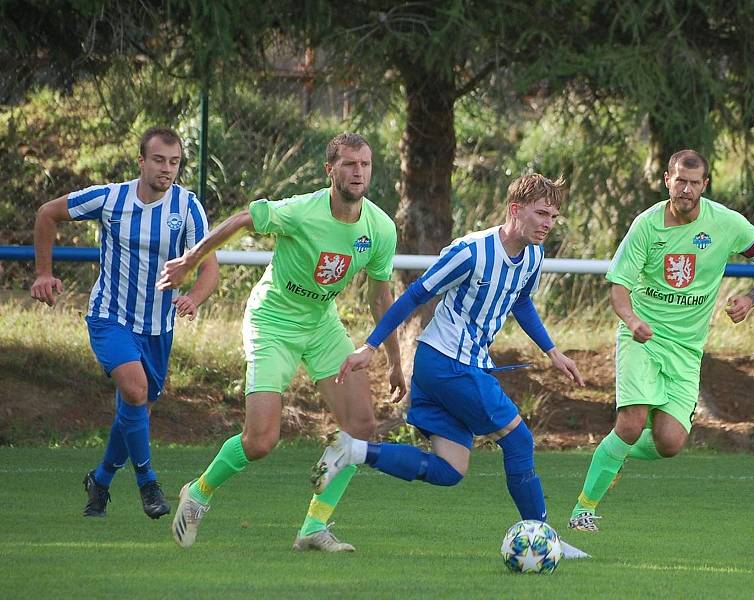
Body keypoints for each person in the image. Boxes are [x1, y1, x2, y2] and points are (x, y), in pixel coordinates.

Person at [318, 173, 590, 559]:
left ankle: (354, 451)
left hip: (457, 366)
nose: (548, 223)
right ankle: (547, 537)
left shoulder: (533, 254)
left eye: (554, 216)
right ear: (515, 209)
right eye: (541, 213)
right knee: (519, 440)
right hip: (448, 363)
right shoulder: (471, 251)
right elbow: (415, 294)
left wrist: (552, 351)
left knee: (449, 469)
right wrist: (371, 345)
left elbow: (521, 302)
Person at [157, 132, 406, 551]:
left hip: (321, 323)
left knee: (361, 429)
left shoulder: (380, 228)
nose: (358, 172)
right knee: (261, 441)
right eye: (348, 164)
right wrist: (190, 260)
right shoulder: (301, 210)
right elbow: (241, 220)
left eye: (364, 164)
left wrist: (395, 359)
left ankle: (312, 528)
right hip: (272, 320)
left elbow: (380, 296)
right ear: (330, 170)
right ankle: (199, 491)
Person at [568, 149, 754, 533]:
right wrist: (632, 320)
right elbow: (618, 286)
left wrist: (750, 298)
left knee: (670, 443)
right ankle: (584, 509)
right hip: (642, 337)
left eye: (693, 182)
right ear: (667, 179)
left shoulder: (728, 223)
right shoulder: (646, 225)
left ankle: (614, 455)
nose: (685, 189)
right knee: (631, 422)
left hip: (686, 349)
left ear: (705, 185)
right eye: (679, 180)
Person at [30, 126, 220, 519]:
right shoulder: (111, 198)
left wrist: (194, 297)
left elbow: (209, 268)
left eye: (174, 162)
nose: (167, 169)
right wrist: (43, 272)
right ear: (141, 162)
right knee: (134, 391)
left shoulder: (187, 207)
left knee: (136, 409)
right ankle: (148, 483)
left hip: (158, 327)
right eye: (159, 160)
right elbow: (47, 213)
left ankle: (99, 481)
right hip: (110, 317)